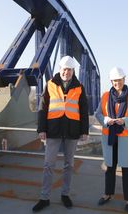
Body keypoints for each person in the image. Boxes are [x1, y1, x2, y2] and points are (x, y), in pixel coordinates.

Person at [32, 55, 89, 212]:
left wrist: (85, 131)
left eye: (69, 70)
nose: (67, 72)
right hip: (53, 130)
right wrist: (41, 129)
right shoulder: (50, 85)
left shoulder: (79, 87)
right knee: (48, 165)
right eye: (64, 69)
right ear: (60, 70)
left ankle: (65, 195)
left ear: (73, 71)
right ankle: (44, 198)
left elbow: (84, 110)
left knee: (69, 165)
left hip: (72, 131)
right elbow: (43, 108)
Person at [94, 67, 128, 212]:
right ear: (111, 81)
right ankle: (108, 194)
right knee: (110, 168)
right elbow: (97, 113)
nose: (117, 83)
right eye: (115, 80)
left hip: (125, 139)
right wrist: (106, 119)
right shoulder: (105, 96)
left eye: (119, 80)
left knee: (127, 169)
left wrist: (125, 121)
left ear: (124, 80)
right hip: (109, 137)